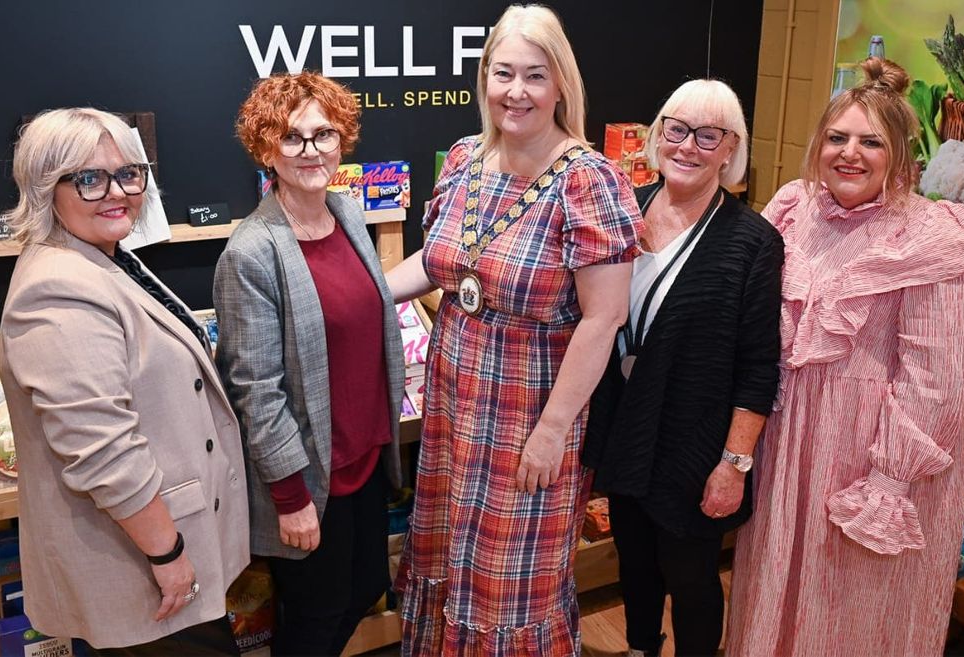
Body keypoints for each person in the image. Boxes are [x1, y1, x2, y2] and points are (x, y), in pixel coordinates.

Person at [725, 58, 964, 656]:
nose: (850, 154)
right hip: (788, 442)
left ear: (901, 155)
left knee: (850, 604)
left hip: (868, 454)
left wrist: (889, 480)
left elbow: (935, 384)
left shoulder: (937, 238)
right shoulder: (793, 208)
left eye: (871, 142)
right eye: (837, 138)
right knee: (774, 584)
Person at [386, 4, 644, 655]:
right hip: (453, 413)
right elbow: (442, 261)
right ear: (485, 78)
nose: (517, 91)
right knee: (449, 567)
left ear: (561, 84)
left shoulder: (589, 180)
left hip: (529, 418)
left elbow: (604, 316)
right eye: (504, 73)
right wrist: (360, 294)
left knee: (510, 587)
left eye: (535, 75)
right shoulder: (466, 158)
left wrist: (551, 432)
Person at [0, 108, 250, 654]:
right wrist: (167, 554)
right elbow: (103, 451)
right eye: (88, 179)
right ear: (46, 188)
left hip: (159, 552)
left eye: (129, 173)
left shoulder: (102, 257)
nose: (117, 192)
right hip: (139, 566)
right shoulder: (59, 289)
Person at [583, 79, 782, 657]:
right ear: (657, 134)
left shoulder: (754, 242)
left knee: (691, 577)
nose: (687, 146)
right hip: (628, 427)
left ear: (731, 149)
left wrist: (734, 464)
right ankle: (643, 647)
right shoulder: (625, 209)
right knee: (636, 564)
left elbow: (759, 364)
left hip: (696, 444)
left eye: (708, 135)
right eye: (676, 129)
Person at [213, 72, 404, 657]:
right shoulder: (252, 251)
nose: (312, 150)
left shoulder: (346, 214)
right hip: (313, 478)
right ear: (266, 148)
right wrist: (291, 498)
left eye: (324, 134)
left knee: (367, 586)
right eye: (292, 138)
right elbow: (255, 390)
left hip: (365, 457)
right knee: (313, 621)